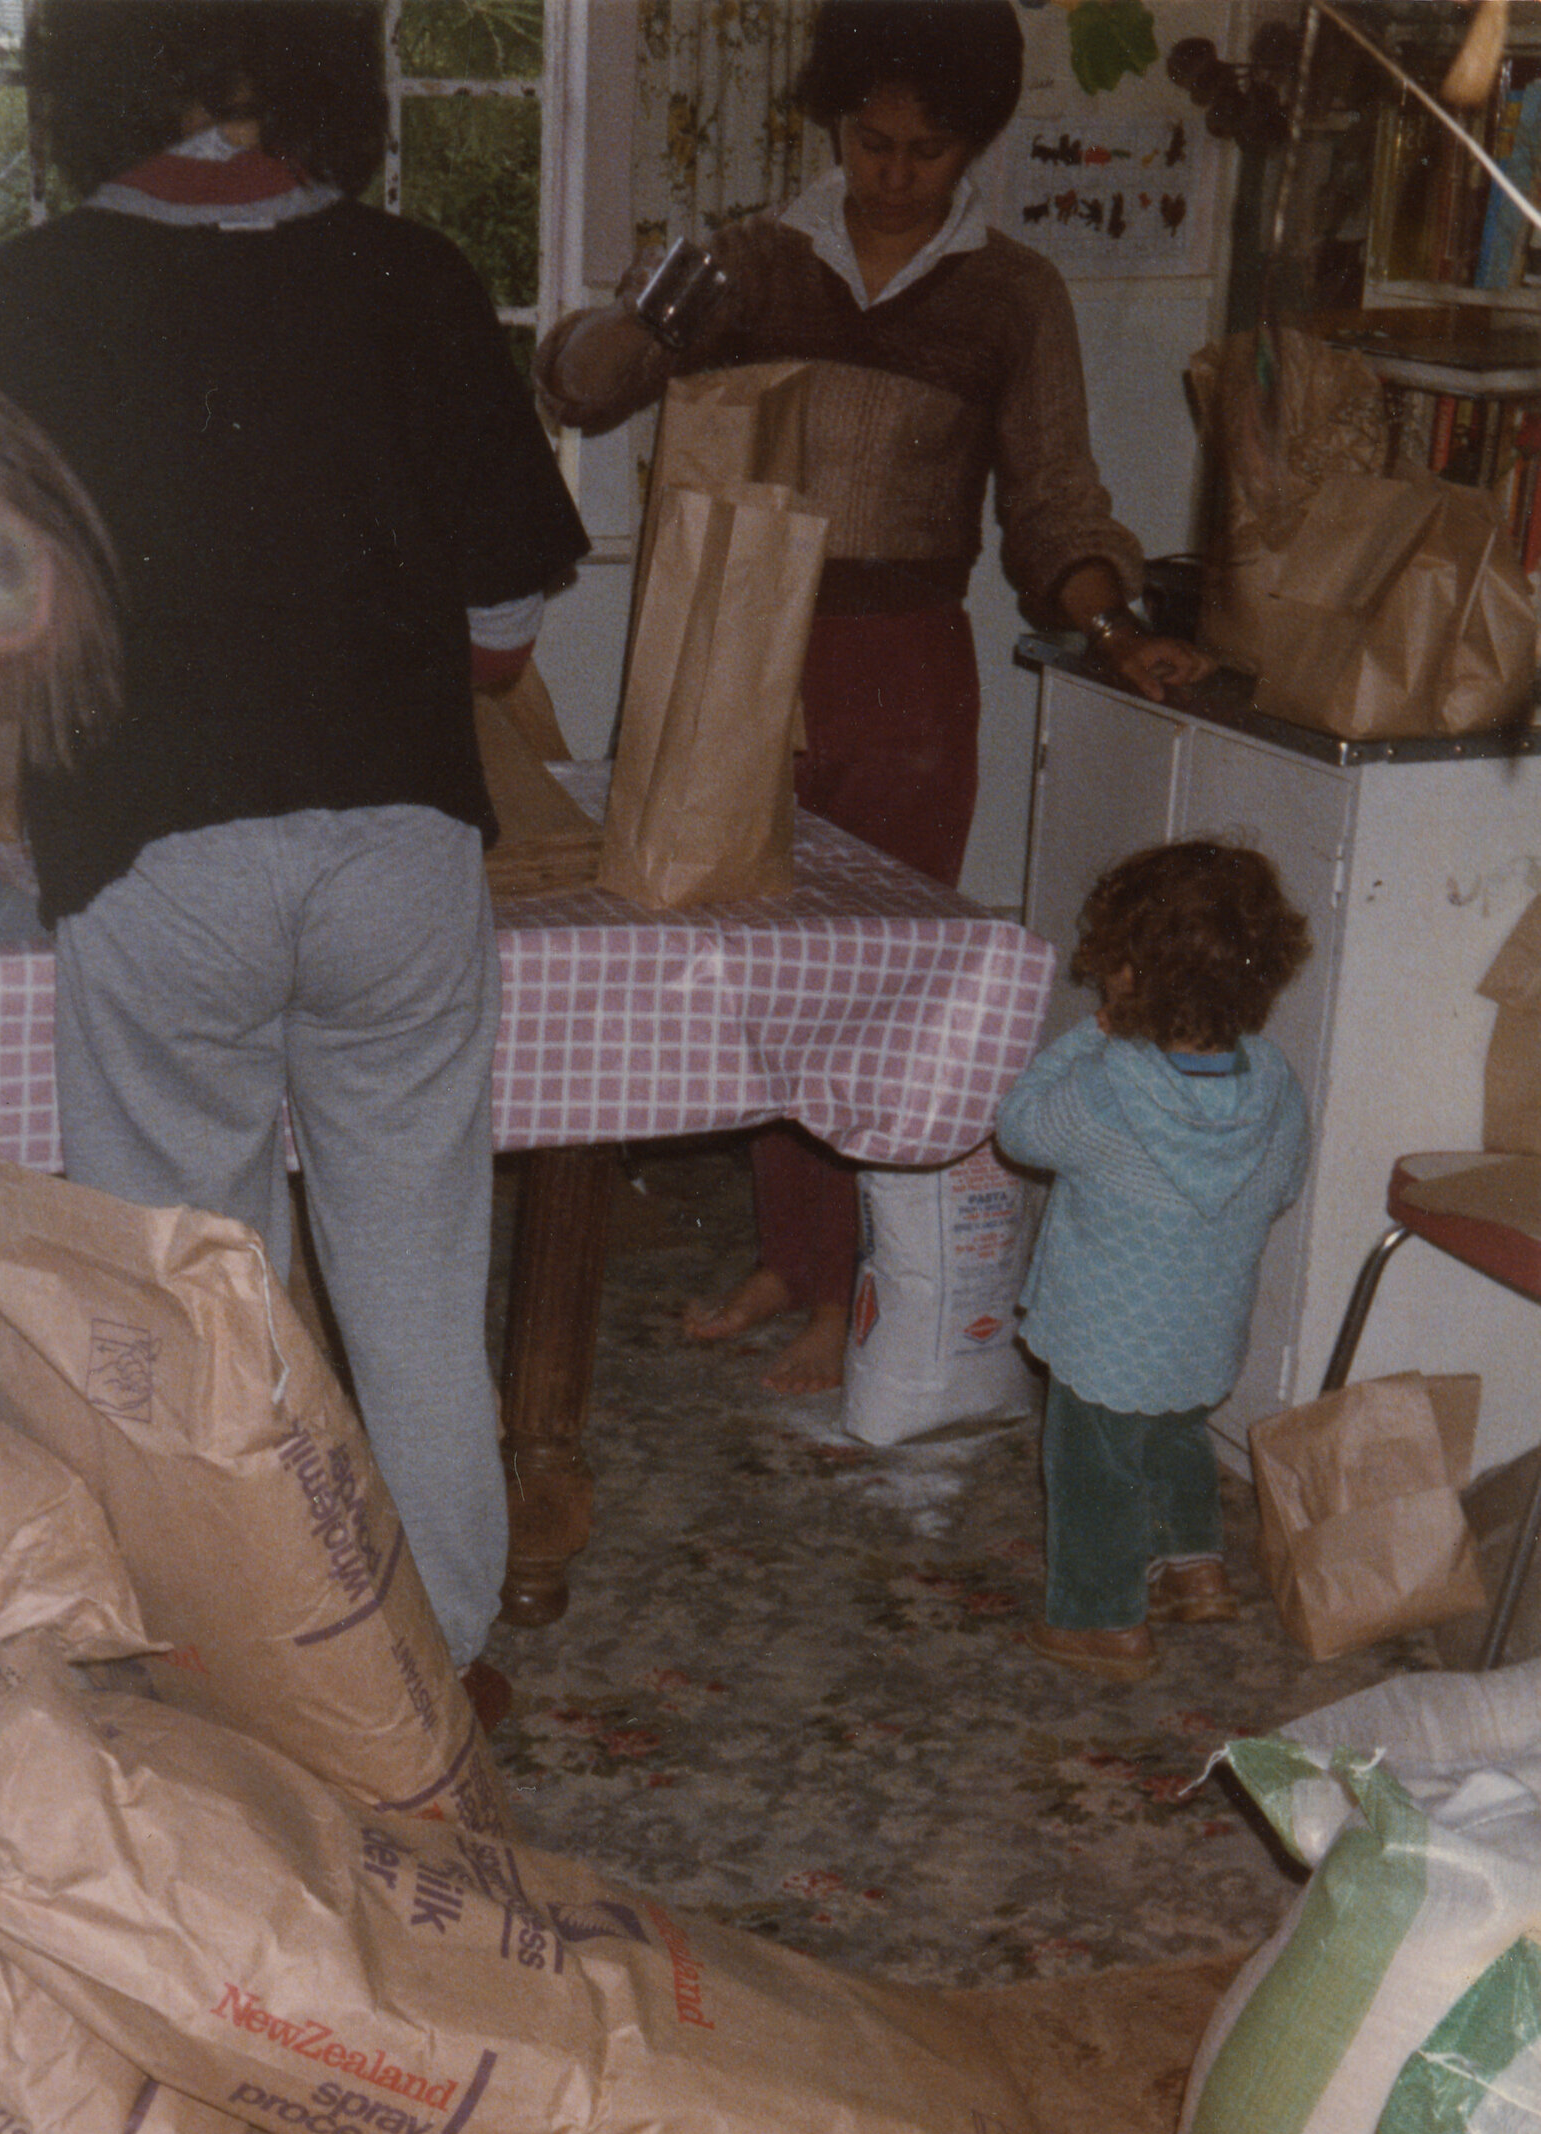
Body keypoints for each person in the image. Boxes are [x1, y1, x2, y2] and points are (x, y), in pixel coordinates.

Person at [0, 1, 588, 1694]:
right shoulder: (414, 276)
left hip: (159, 857)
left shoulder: (29, 292)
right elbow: (501, 626)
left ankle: (243, 1661)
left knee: (195, 1298)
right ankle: (442, 1659)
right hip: (398, 849)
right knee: (418, 1281)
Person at [536, 0, 1211, 1396]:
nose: (895, 171)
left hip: (906, 670)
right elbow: (580, 389)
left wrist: (1117, 623)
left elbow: (1052, 501)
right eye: (869, 141)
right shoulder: (748, 261)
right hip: (731, 662)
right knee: (735, 973)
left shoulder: (1010, 293)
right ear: (832, 123)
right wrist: (643, 309)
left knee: (872, 990)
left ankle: (855, 1279)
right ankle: (791, 1251)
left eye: (927, 149)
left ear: (971, 144)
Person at [993, 840, 1313, 1684]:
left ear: (1130, 973)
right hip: (1202, 1322)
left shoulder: (1109, 1085)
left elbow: (1019, 1129)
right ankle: (1192, 1570)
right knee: (1175, 1430)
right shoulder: (1273, 1080)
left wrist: (1084, 1038)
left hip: (1105, 1334)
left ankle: (1101, 1622)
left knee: (1090, 1468)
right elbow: (1283, 1182)